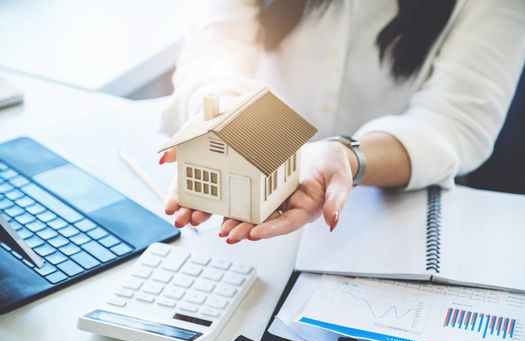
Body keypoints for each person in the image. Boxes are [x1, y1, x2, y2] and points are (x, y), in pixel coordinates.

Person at [159, 0, 525, 244]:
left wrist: (348, 156)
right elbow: (215, 46)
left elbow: (456, 121)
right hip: (252, 218)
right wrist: (224, 117)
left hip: (387, 214)